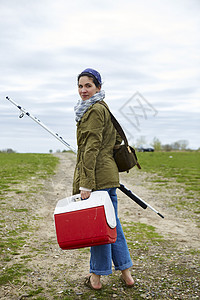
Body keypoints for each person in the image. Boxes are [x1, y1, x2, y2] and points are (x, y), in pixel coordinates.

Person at [73, 68, 134, 290]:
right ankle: (127, 274)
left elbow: (91, 148)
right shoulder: (102, 107)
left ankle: (96, 278)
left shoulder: (94, 111)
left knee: (98, 229)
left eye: (88, 86)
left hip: (98, 179)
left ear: (98, 87)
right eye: (80, 86)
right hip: (108, 176)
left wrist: (86, 183)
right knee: (112, 224)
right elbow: (115, 137)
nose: (83, 90)